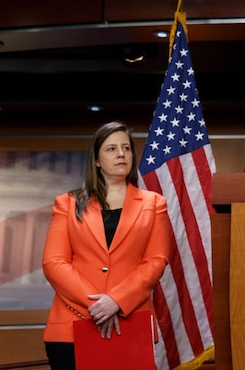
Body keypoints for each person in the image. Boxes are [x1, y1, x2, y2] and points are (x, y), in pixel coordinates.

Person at [41, 121, 169, 370]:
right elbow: (53, 263)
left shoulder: (154, 203)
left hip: (130, 323)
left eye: (126, 148)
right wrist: (97, 305)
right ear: (97, 160)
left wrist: (117, 301)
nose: (121, 154)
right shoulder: (67, 203)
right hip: (72, 326)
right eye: (111, 149)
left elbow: (156, 260)